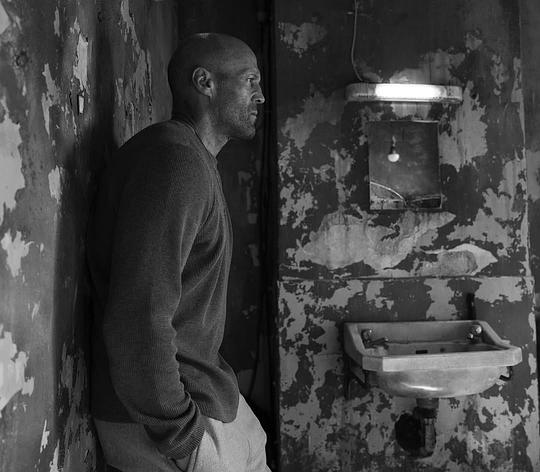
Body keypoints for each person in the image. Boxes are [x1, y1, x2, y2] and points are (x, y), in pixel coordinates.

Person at [86, 33, 268, 472]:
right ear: (205, 83)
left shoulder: (192, 158)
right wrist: (181, 434)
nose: (260, 96)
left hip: (205, 396)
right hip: (168, 419)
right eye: (250, 81)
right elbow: (139, 313)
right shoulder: (175, 163)